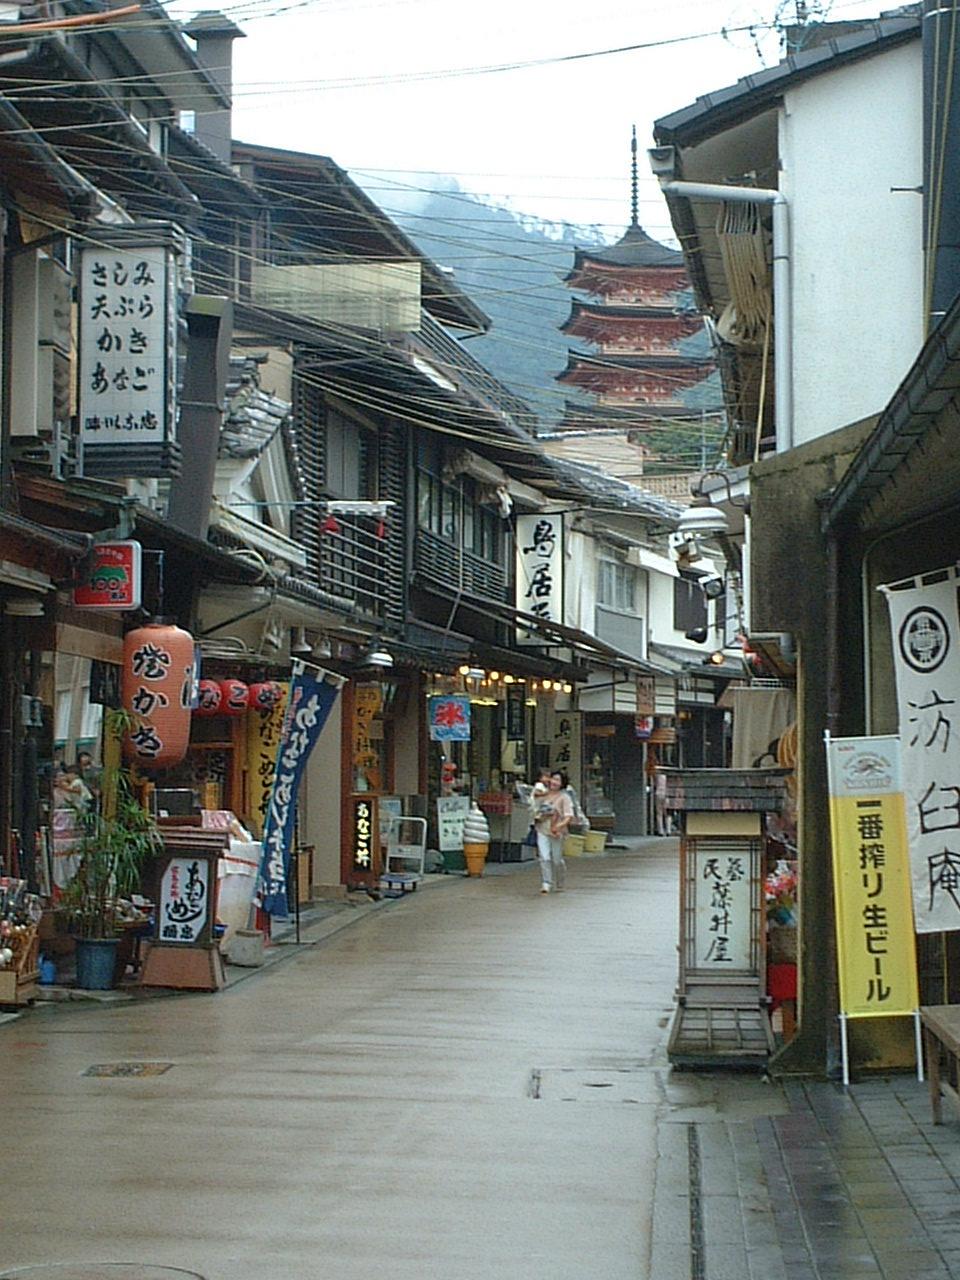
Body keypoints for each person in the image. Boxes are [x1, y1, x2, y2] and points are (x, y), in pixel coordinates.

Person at [533, 770, 574, 894]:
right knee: (544, 857)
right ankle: (546, 883)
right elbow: (534, 808)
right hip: (542, 828)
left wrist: (559, 826)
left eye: (558, 780)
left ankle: (560, 881)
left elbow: (568, 816)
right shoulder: (542, 794)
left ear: (562, 784)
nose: (554, 782)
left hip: (556, 831)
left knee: (556, 860)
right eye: (553, 779)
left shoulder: (564, 798)